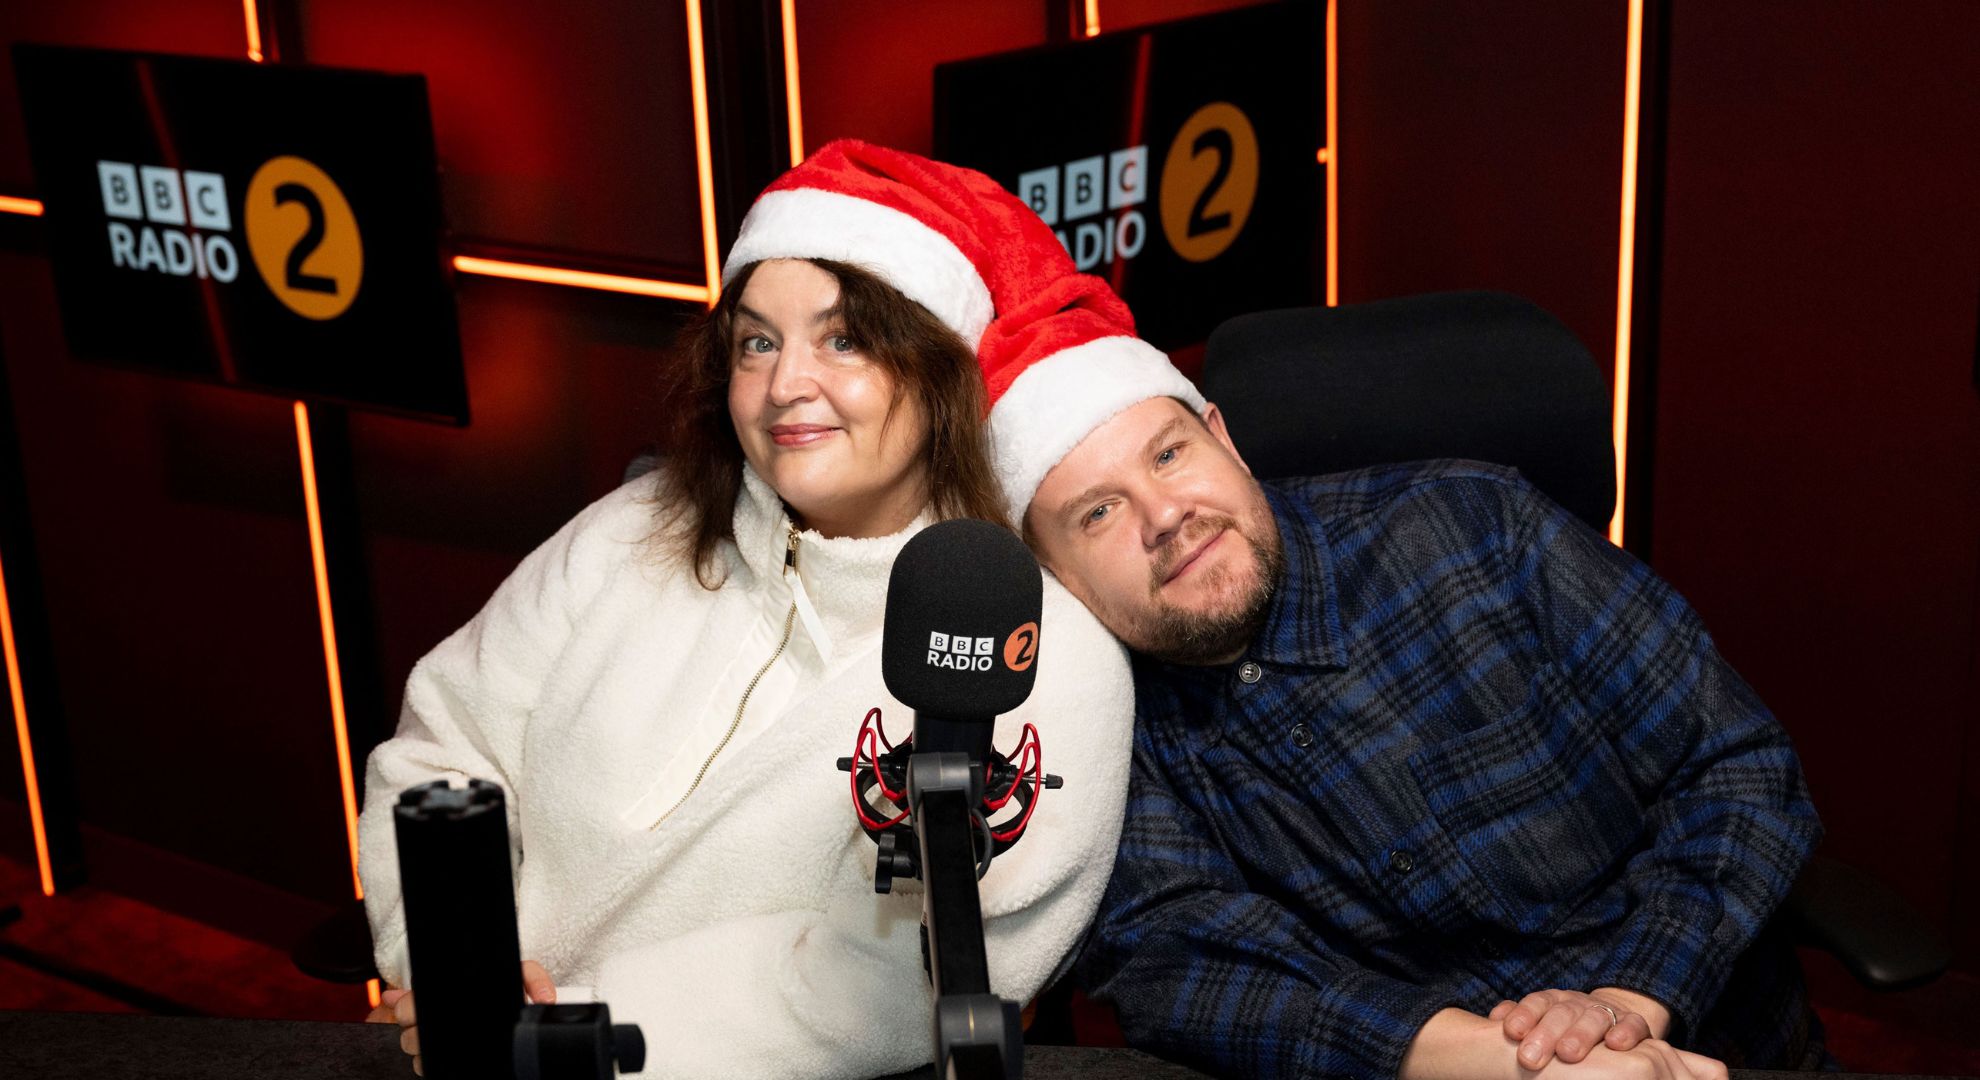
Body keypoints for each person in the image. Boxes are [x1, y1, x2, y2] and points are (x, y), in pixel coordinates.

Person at [353, 141, 1135, 1080]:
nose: (783, 386)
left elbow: (896, 983)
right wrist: (455, 978)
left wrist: (559, 1041)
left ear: (943, 372)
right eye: (756, 341)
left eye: (844, 339)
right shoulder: (631, 529)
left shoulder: (1039, 653)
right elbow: (444, 745)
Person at [963, 249, 1827, 1078]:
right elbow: (1184, 965)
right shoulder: (1100, 715)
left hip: (1716, 1045)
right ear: (1057, 575)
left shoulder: (1474, 526)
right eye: (1099, 512)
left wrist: (1627, 1003)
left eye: (1169, 453)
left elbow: (1735, 768)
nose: (1165, 515)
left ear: (1223, 439)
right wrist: (1496, 1063)